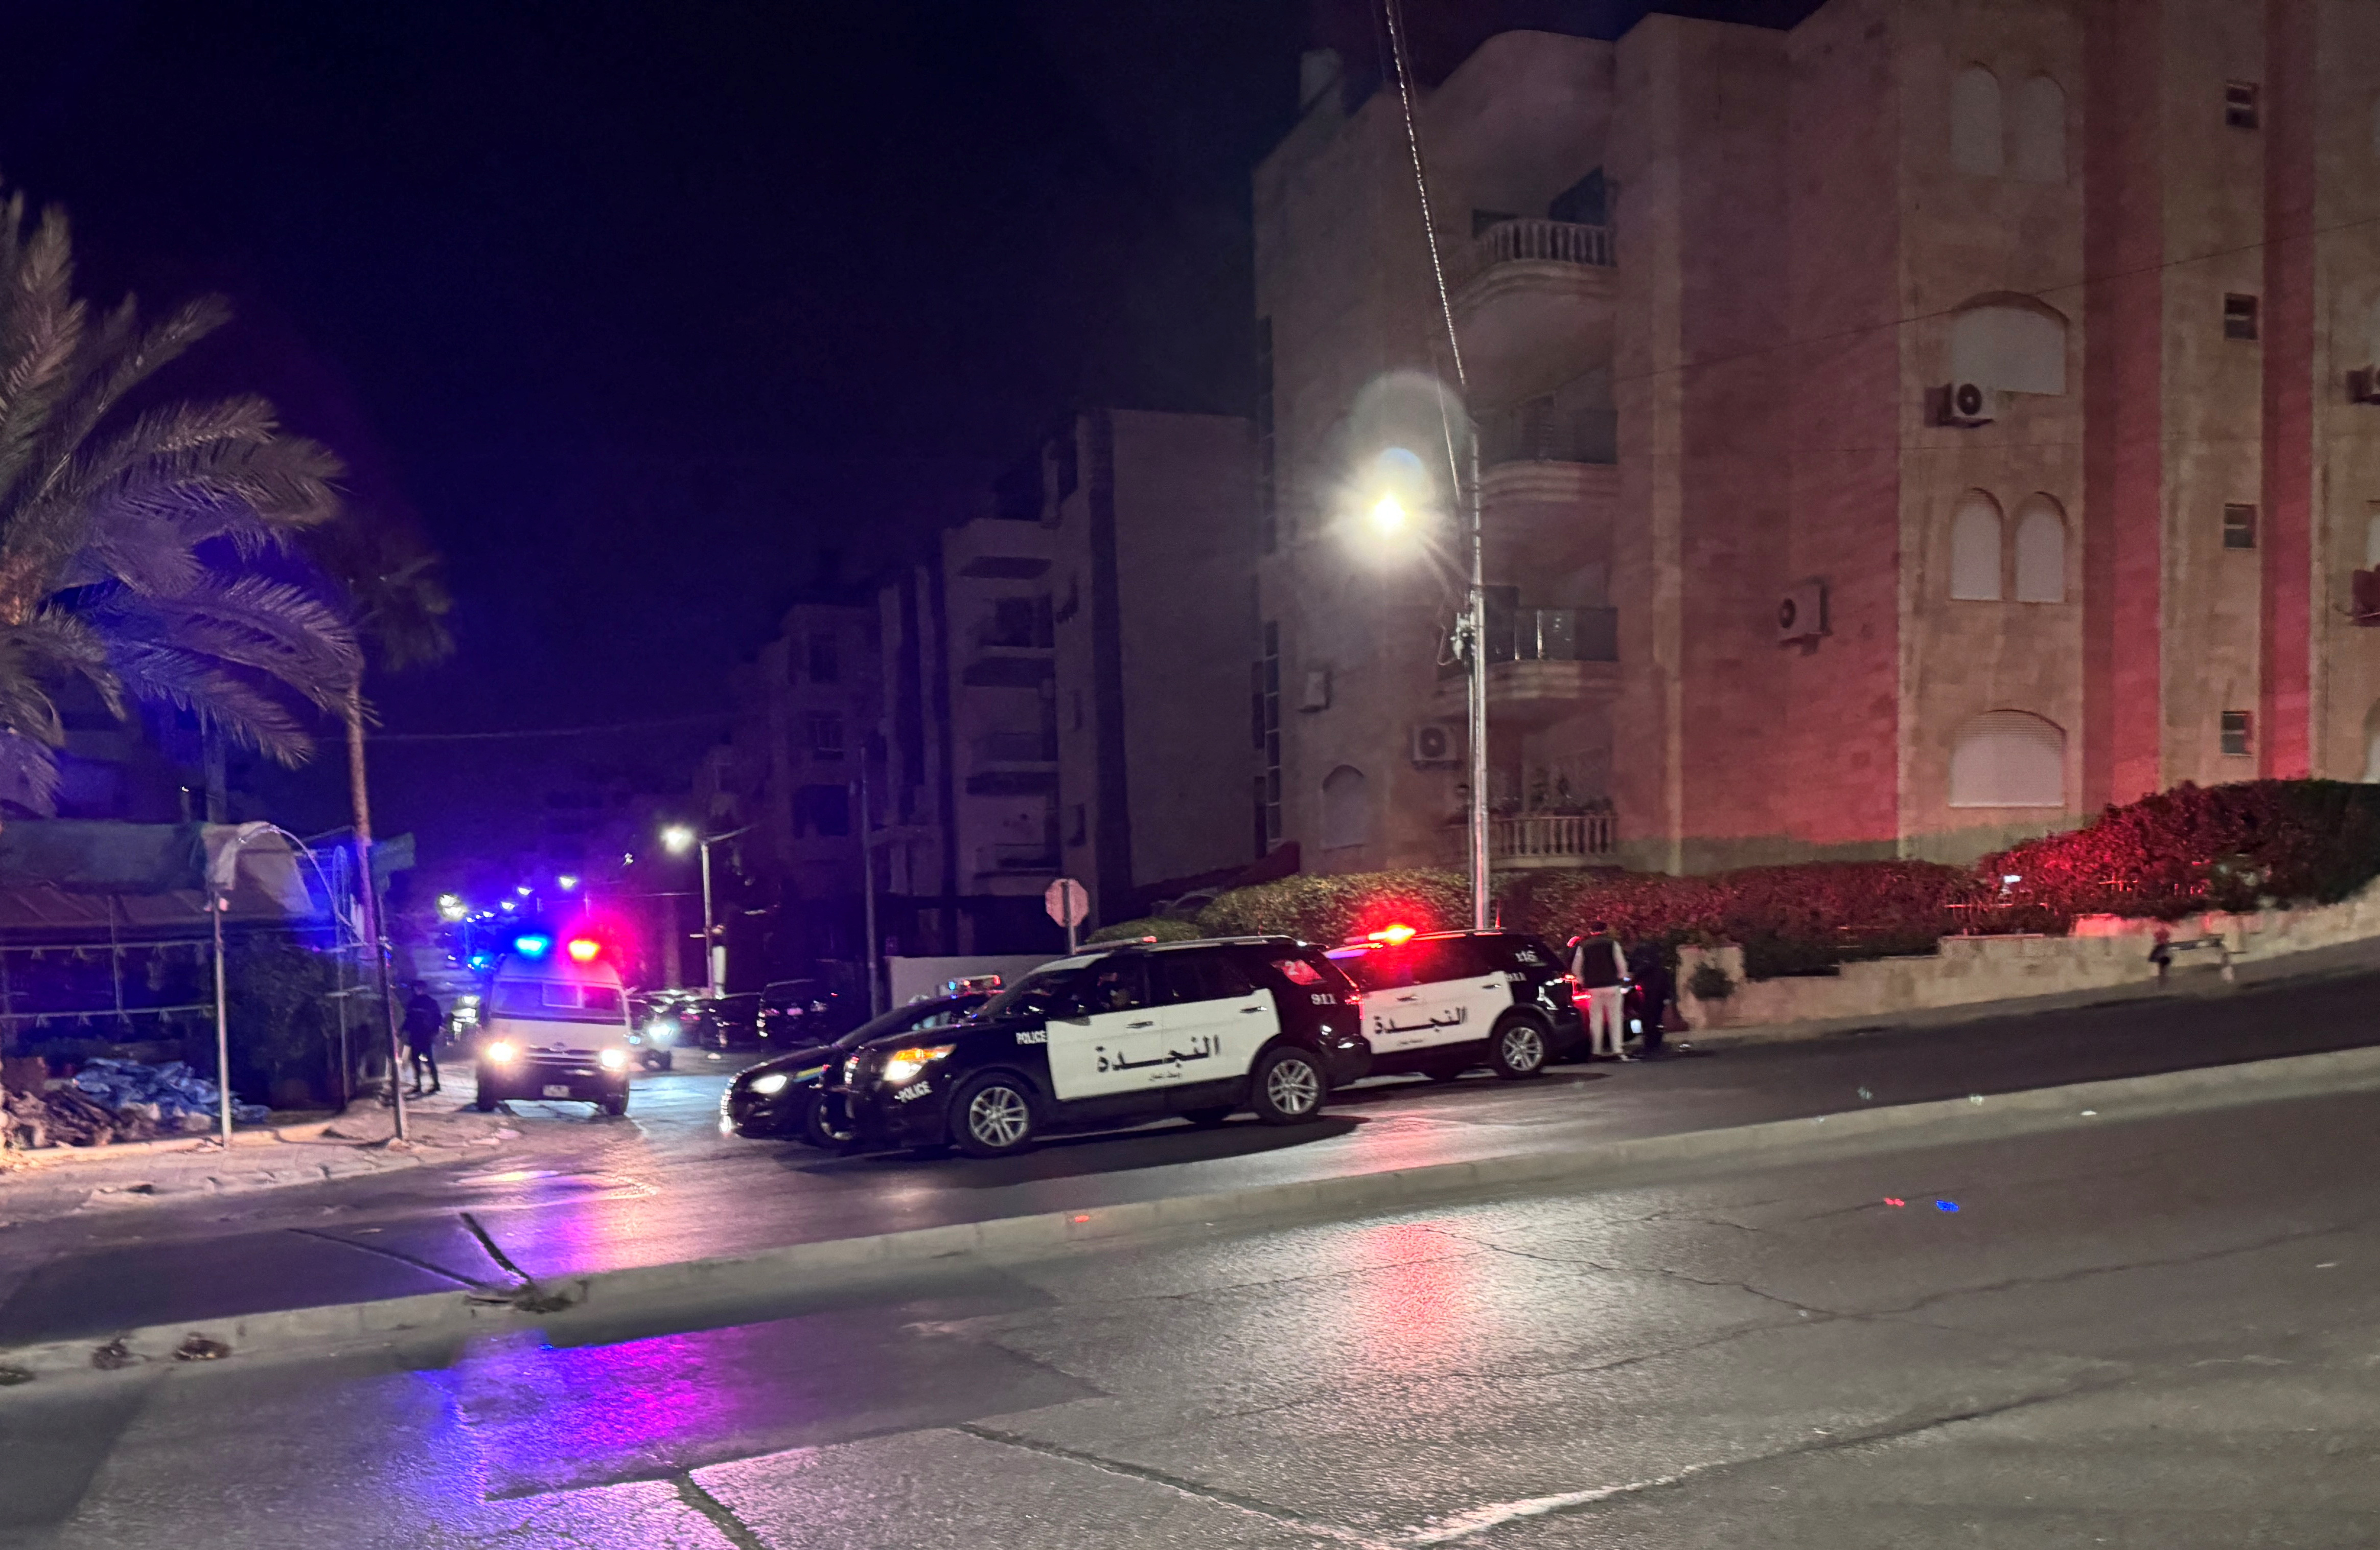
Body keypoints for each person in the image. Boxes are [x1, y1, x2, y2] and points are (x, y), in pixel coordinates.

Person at [1570, 922, 1630, 1061]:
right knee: (1615, 1018)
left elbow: (1576, 967)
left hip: (1593, 987)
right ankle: (1617, 1049)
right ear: (1605, 929)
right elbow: (1620, 963)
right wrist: (1621, 977)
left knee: (1596, 1019)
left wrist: (1582, 980)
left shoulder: (1584, 946)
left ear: (1591, 930)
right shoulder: (1612, 944)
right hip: (1612, 985)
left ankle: (1596, 1051)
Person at [1627, 942, 1676, 1059]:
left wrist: (1630, 980)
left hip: (1651, 993)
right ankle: (1654, 1044)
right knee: (1655, 1019)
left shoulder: (1644, 964)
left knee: (1649, 1019)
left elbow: (1635, 974)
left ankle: (1650, 1045)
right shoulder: (1658, 966)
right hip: (1659, 993)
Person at [402, 984, 445, 1096]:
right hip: (417, 1035)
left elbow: (438, 1019)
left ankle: (435, 1084)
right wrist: (403, 1030)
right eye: (416, 988)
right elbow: (409, 1019)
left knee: (428, 1060)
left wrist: (434, 1032)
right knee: (416, 1060)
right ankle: (420, 1085)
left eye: (419, 988)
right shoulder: (414, 1003)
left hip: (425, 1035)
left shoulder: (429, 1003)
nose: (418, 990)